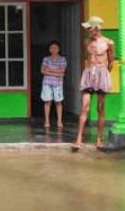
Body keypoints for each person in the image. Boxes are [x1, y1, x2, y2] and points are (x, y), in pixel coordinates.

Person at [72, 16, 115, 151]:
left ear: (96, 28)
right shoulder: (87, 42)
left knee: (100, 107)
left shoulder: (108, 43)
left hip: (102, 73)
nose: (88, 30)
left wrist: (105, 74)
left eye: (90, 28)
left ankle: (99, 138)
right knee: (85, 107)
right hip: (89, 73)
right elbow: (88, 58)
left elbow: (111, 61)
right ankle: (78, 138)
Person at [40, 40, 67, 128]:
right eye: (52, 48)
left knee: (58, 102)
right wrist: (56, 73)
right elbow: (43, 71)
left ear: (58, 49)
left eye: (56, 48)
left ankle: (59, 121)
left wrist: (50, 70)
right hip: (47, 82)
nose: (54, 49)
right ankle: (47, 121)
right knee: (47, 101)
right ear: (49, 49)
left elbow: (62, 71)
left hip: (58, 83)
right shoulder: (46, 59)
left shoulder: (62, 59)